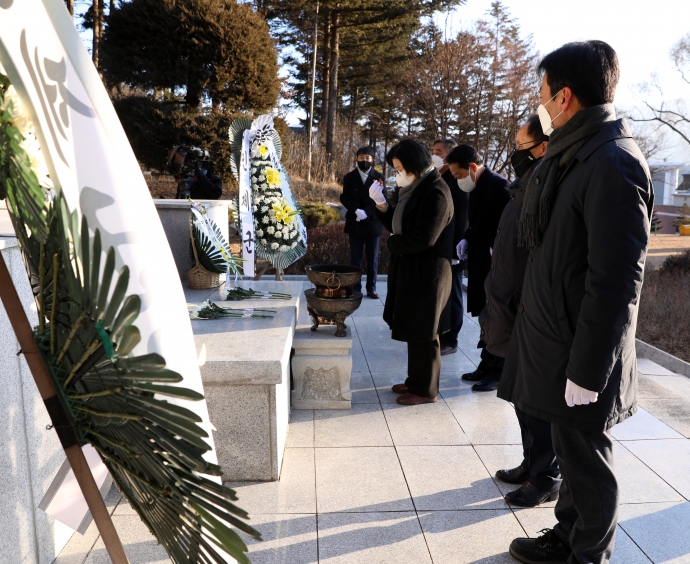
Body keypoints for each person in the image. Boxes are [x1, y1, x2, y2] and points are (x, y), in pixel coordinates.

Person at [499, 41, 653, 564]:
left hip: (582, 350)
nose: (539, 104)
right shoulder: (575, 153)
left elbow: (616, 282)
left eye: (542, 93)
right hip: (557, 339)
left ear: (563, 97)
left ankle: (590, 555)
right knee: (569, 450)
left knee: (587, 460)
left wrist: (588, 372)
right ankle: (567, 536)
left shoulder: (613, 162)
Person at [479, 114, 561, 507]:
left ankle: (547, 476)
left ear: (543, 147)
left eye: (520, 147)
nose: (514, 154)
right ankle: (533, 462)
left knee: (536, 399)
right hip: (510, 308)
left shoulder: (546, 187)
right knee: (520, 396)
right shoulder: (525, 185)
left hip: (529, 311)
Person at [369, 139, 454, 406]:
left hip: (429, 273)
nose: (398, 174)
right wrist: (381, 205)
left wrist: (393, 243)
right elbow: (400, 223)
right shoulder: (415, 188)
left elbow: (424, 238)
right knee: (415, 330)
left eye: (399, 168)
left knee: (426, 332)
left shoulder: (436, 192)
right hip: (414, 269)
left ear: (414, 165)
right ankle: (415, 379)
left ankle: (426, 390)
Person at [445, 145, 509, 383]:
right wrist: (466, 238)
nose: (458, 180)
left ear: (472, 167)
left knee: (497, 317)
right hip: (480, 260)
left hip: (496, 262)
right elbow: (477, 223)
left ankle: (497, 371)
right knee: (485, 316)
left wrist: (496, 247)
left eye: (459, 175)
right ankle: (486, 364)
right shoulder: (477, 185)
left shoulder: (498, 186)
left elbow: (506, 223)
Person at [431, 139, 469, 356]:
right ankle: (441, 332)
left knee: (453, 294)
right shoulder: (437, 177)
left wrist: (456, 249)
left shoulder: (458, 179)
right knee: (441, 293)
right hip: (440, 246)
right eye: (433, 151)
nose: (434, 155)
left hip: (454, 248)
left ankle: (451, 338)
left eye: (439, 151)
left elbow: (462, 217)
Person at [340, 147, 385, 298]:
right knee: (355, 257)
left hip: (372, 221)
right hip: (355, 221)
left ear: (373, 160)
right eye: (361, 157)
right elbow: (345, 197)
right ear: (356, 159)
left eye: (367, 158)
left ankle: (371, 288)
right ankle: (355, 287)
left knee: (373, 257)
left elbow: (382, 197)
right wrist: (356, 210)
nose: (364, 160)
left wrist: (367, 211)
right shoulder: (349, 177)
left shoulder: (378, 177)